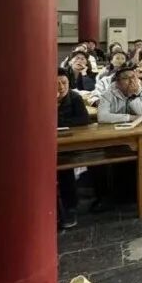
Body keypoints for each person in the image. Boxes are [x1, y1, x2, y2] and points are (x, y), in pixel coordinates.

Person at [97, 65, 142, 203]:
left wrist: (133, 96)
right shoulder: (108, 94)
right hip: (114, 136)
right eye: (126, 78)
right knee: (99, 155)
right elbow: (102, 116)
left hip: (138, 135)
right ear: (117, 82)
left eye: (133, 77)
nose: (131, 81)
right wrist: (129, 117)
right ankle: (106, 195)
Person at [56, 68, 89, 229]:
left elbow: (83, 120)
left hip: (70, 143)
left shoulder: (75, 97)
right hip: (45, 144)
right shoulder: (40, 97)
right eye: (56, 84)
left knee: (64, 166)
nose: (61, 87)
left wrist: (58, 122)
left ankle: (70, 207)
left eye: (64, 83)